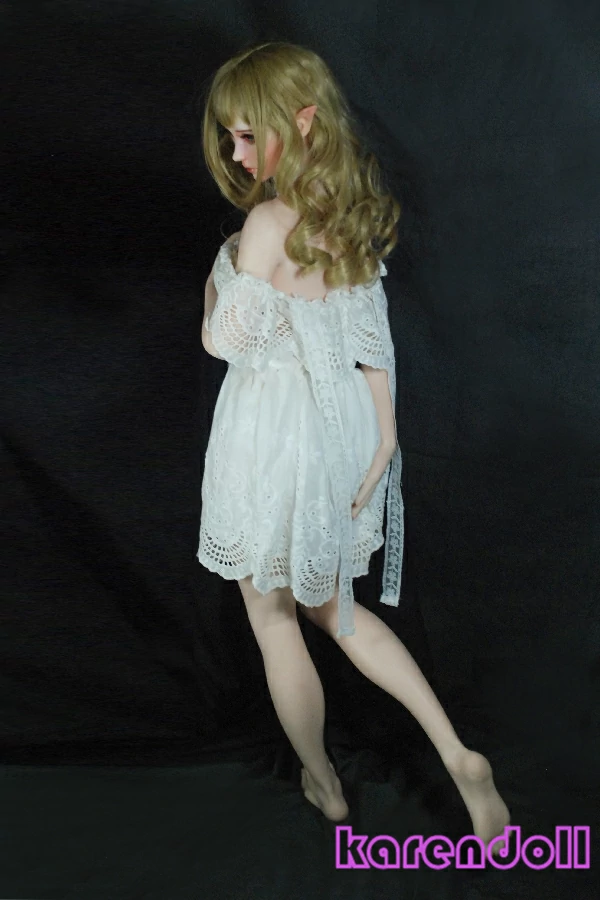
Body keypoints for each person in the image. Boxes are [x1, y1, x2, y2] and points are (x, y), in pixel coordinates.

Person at [197, 40, 510, 850]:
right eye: (229, 138)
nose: (237, 154)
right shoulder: (349, 219)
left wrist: (223, 271)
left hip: (274, 433)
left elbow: (225, 341)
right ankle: (456, 752)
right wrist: (384, 443)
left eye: (248, 135)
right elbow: (375, 352)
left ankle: (324, 783)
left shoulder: (266, 223)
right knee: (338, 611)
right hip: (343, 431)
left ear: (302, 121)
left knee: (273, 617)